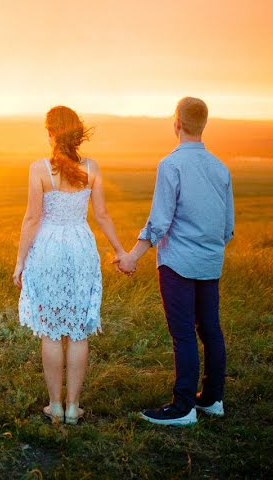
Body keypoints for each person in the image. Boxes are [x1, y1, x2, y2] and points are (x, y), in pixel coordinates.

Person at [116, 97, 234, 426]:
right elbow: (227, 227)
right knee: (210, 329)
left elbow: (159, 222)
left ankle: (183, 408)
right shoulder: (221, 168)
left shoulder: (171, 165)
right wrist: (207, 248)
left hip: (178, 264)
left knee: (182, 333)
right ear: (203, 124)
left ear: (177, 124)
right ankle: (212, 399)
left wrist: (132, 257)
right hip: (210, 264)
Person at [13, 105, 128, 424]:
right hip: (80, 246)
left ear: (50, 133)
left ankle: (56, 406)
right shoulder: (92, 167)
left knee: (51, 330)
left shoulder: (38, 169)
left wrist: (20, 261)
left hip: (48, 248)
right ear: (76, 133)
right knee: (78, 330)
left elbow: (33, 218)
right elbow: (102, 215)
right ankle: (74, 407)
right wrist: (120, 250)